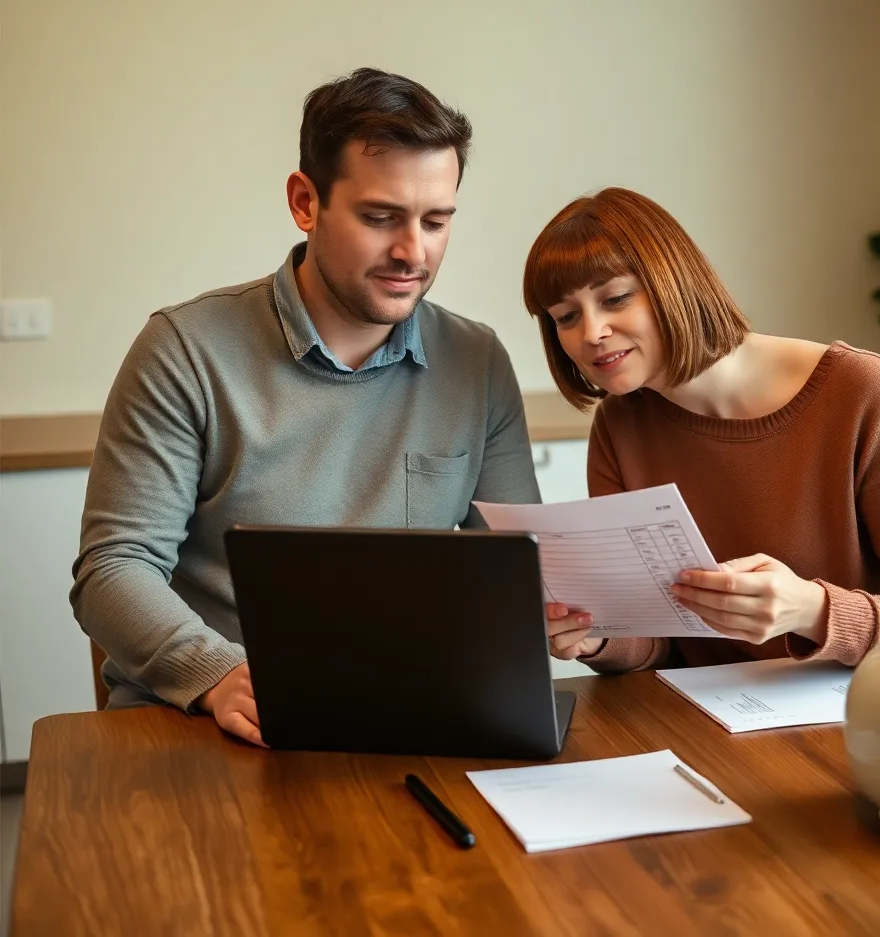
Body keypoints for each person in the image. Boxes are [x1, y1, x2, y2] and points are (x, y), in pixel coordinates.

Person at [72, 68, 540, 744]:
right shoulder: (185, 349)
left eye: (436, 221)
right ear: (305, 202)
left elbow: (513, 570)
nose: (413, 251)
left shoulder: (478, 361)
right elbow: (113, 568)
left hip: (407, 713)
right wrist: (216, 674)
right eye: (381, 218)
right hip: (215, 722)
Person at [522, 187, 880, 673]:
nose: (591, 332)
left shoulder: (866, 394)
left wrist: (812, 610)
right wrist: (595, 638)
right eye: (566, 317)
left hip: (859, 709)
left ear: (672, 282)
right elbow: (654, 637)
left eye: (614, 298)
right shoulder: (619, 423)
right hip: (702, 713)